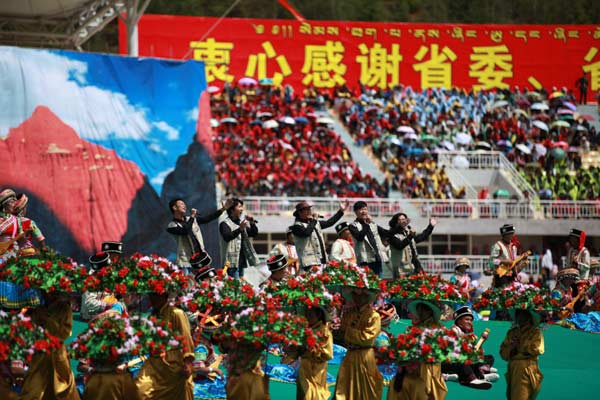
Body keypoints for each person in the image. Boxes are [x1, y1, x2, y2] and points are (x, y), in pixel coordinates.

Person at [19, 292, 80, 400]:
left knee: (60, 385)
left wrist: (47, 321)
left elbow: (64, 332)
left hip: (57, 353)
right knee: (35, 386)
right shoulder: (36, 307)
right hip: (40, 352)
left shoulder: (64, 309)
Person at [135, 292, 195, 400]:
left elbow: (186, 337)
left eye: (155, 295)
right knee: (140, 389)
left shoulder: (177, 313)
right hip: (154, 362)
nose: (151, 298)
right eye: (150, 295)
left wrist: (188, 362)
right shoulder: (151, 315)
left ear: (164, 296)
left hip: (173, 363)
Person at [334, 287, 383, 400]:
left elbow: (368, 338)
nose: (357, 298)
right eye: (355, 295)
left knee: (365, 388)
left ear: (367, 297)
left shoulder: (374, 316)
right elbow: (342, 334)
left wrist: (346, 331)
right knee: (345, 387)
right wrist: (336, 330)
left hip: (365, 356)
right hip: (350, 355)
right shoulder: (348, 314)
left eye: (361, 295)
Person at [167, 197, 231, 273]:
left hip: (201, 258)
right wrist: (192, 216)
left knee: (204, 281)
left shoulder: (191, 219)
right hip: (185, 261)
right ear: (174, 207)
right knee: (188, 283)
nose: (184, 206)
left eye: (184, 204)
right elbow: (185, 230)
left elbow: (208, 218)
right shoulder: (172, 226)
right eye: (181, 204)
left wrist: (222, 209)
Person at [441, 307, 495, 389]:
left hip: (464, 361)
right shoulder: (454, 331)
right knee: (463, 360)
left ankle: (481, 374)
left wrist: (482, 341)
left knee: (489, 358)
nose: (470, 322)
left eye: (471, 320)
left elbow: (475, 351)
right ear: (459, 321)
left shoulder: (469, 335)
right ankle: (472, 378)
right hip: (449, 363)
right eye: (467, 319)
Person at [291, 200, 349, 272]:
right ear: (300, 212)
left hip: (321, 261)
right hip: (309, 263)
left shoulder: (314, 223)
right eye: (307, 210)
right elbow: (306, 233)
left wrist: (341, 211)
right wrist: (314, 220)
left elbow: (329, 223)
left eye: (310, 209)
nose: (310, 211)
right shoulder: (296, 226)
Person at [500, 309, 544, 400]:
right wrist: (512, 347)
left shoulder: (535, 332)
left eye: (522, 314)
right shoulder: (512, 332)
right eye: (518, 314)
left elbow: (537, 349)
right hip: (513, 367)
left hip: (526, 368)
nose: (519, 317)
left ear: (528, 317)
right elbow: (503, 353)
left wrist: (520, 345)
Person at [408, 300, 448, 400]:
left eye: (422, 310)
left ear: (429, 312)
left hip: (432, 366)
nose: (419, 312)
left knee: (432, 392)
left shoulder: (439, 328)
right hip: (416, 367)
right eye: (418, 310)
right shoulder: (413, 328)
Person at [348, 201, 394, 276]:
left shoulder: (373, 224)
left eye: (365, 209)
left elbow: (386, 233)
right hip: (364, 260)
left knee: (379, 282)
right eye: (361, 209)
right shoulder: (353, 226)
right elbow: (360, 237)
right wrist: (366, 224)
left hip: (377, 258)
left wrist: (398, 228)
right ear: (356, 212)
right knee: (367, 283)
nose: (364, 211)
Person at [296, 306, 333, 400]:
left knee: (315, 394)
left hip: (317, 369)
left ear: (319, 314)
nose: (308, 317)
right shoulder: (304, 329)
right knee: (304, 393)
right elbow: (297, 350)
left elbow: (328, 354)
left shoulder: (324, 331)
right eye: (306, 314)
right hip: (304, 368)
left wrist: (313, 349)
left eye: (310, 314)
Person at [219, 198, 259, 279]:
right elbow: (227, 237)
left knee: (239, 287)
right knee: (233, 286)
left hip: (240, 261)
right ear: (232, 210)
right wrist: (240, 229)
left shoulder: (240, 223)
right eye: (239, 207)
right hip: (229, 263)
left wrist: (252, 223)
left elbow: (253, 233)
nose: (242, 209)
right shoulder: (224, 224)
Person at [387, 213, 435, 278]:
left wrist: (431, 226)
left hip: (415, 266)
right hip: (402, 270)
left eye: (404, 219)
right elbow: (400, 246)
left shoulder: (408, 232)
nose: (403, 221)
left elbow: (420, 237)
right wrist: (410, 236)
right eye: (400, 220)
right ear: (395, 222)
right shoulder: (392, 235)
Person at [487, 224, 524, 289]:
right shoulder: (498, 245)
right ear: (505, 235)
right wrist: (503, 261)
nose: (513, 235)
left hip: (512, 275)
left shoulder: (514, 246)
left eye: (513, 233)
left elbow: (513, 262)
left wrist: (521, 260)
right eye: (511, 233)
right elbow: (491, 262)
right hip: (501, 277)